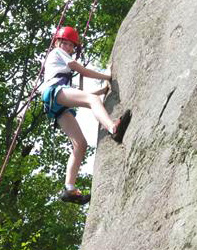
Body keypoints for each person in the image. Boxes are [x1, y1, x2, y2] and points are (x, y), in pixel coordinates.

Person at [41, 26, 131, 205]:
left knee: (80, 144)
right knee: (91, 100)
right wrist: (106, 75)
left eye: (71, 45)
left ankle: (69, 188)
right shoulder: (57, 53)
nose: (67, 47)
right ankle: (113, 127)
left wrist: (103, 89)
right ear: (58, 43)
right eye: (65, 43)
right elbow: (80, 70)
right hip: (54, 92)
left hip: (56, 105)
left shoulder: (60, 63)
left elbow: (78, 93)